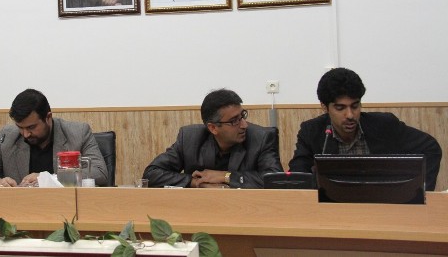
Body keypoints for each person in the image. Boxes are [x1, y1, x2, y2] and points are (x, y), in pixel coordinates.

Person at [289, 68, 442, 190]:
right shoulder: (311, 132)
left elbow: (430, 148)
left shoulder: (384, 125)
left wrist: (419, 191)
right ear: (324, 107)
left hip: (382, 206)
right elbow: (297, 176)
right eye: (340, 108)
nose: (350, 115)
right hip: (333, 209)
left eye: (355, 106)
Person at [0, 88, 108, 187]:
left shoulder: (78, 133)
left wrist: (48, 179)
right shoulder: (8, 136)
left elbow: (100, 173)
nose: (25, 134)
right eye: (20, 127)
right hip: (21, 211)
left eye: (31, 127)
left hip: (66, 208)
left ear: (48, 117)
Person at [143, 89, 282, 188]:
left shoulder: (261, 138)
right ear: (213, 128)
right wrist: (195, 182)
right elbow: (151, 174)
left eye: (242, 116)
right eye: (234, 121)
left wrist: (226, 176)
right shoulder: (190, 138)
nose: (244, 125)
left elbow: (277, 181)